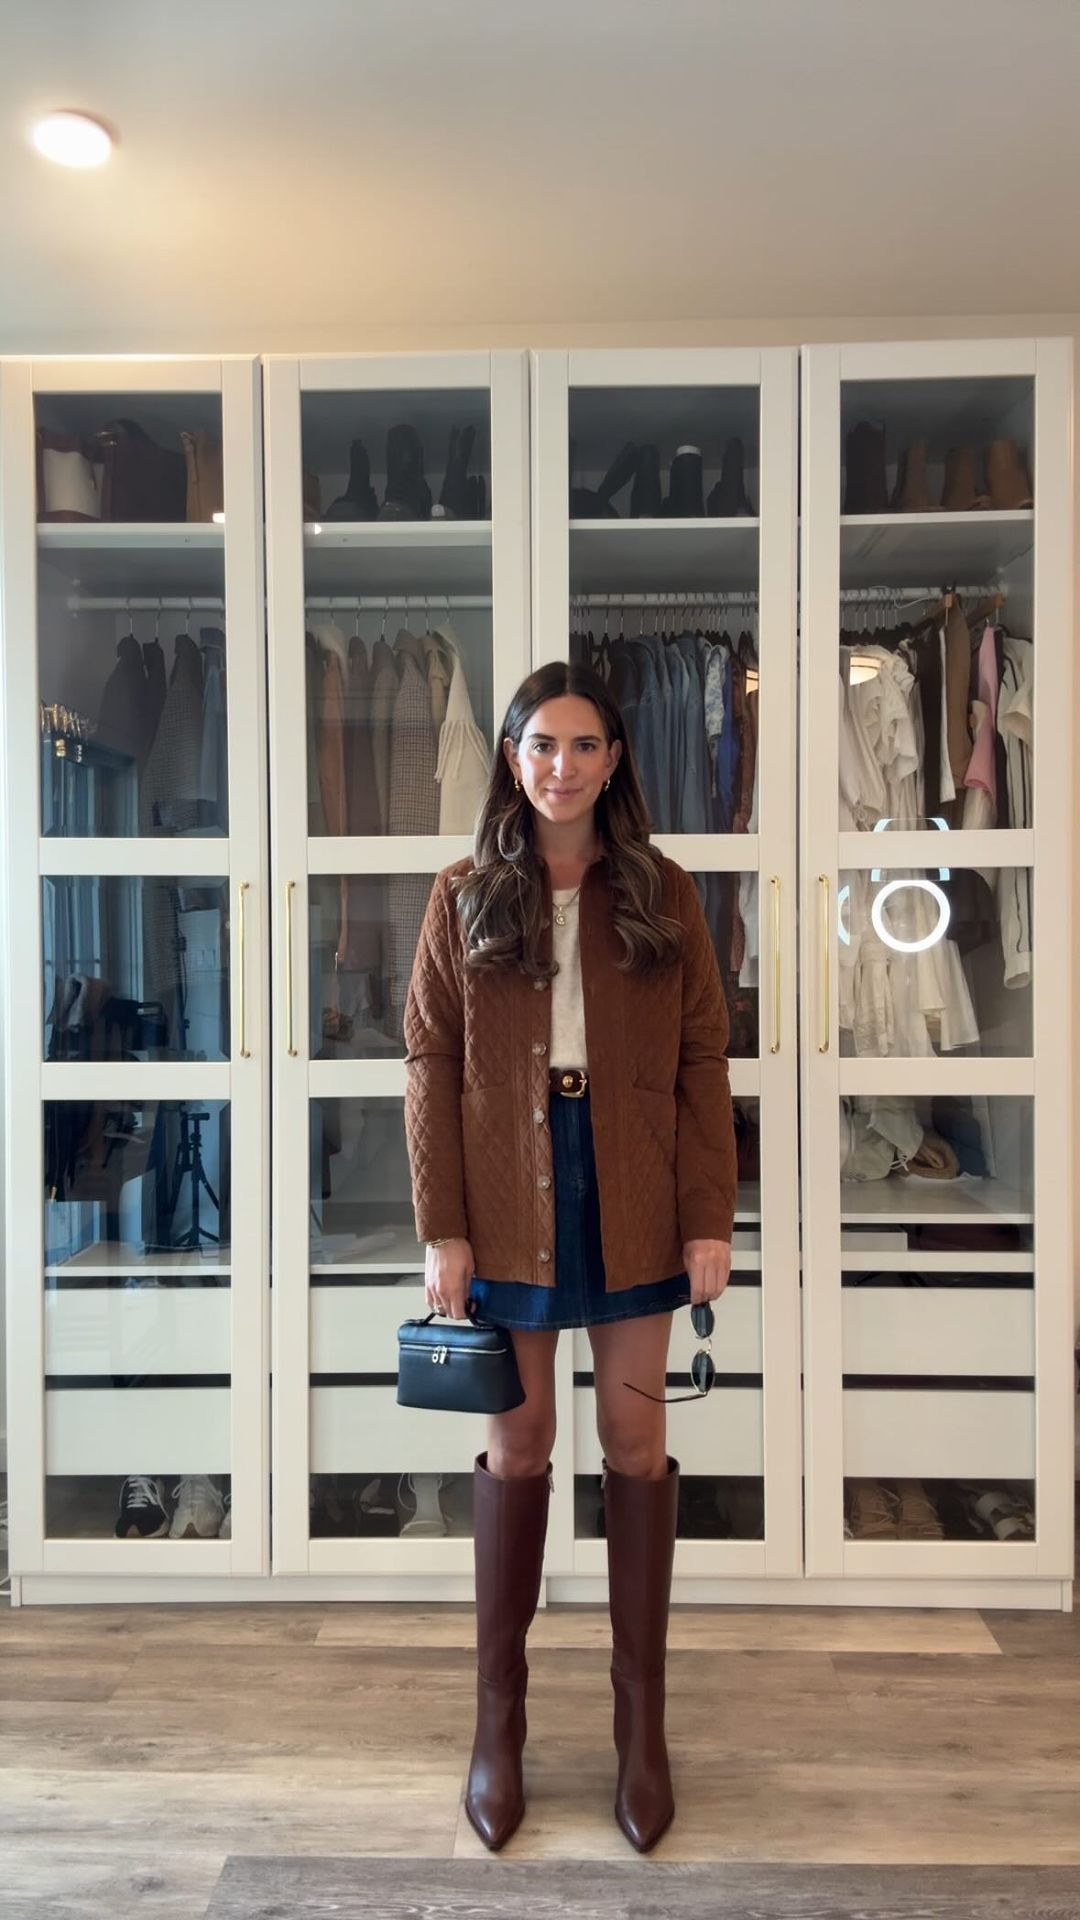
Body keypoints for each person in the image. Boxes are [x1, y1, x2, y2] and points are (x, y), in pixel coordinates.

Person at [403, 659, 737, 1853]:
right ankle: (499, 1720)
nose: (562, 766)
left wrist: (710, 1214)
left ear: (614, 760)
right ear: (512, 757)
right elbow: (429, 1062)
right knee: (521, 1441)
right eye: (542, 744)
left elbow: (704, 1059)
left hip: (633, 1181)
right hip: (506, 1190)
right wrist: (443, 1225)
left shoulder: (663, 890)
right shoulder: (462, 895)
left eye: (585, 744)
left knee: (635, 1445)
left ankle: (640, 1725)